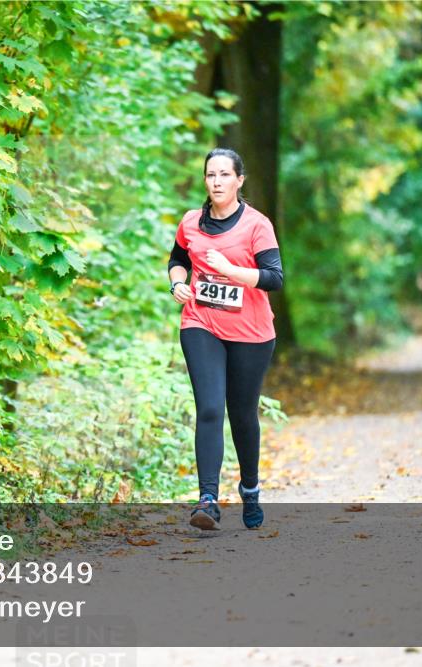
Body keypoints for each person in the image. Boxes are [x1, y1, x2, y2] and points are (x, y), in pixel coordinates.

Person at [167, 147, 284, 531]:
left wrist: (232, 270)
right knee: (211, 409)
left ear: (239, 180)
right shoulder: (191, 222)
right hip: (201, 323)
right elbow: (177, 259)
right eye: (210, 175)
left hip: (251, 332)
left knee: (242, 414)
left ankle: (249, 489)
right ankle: (207, 500)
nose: (216, 182)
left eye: (223, 175)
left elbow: (274, 278)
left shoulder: (257, 225)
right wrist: (179, 284)